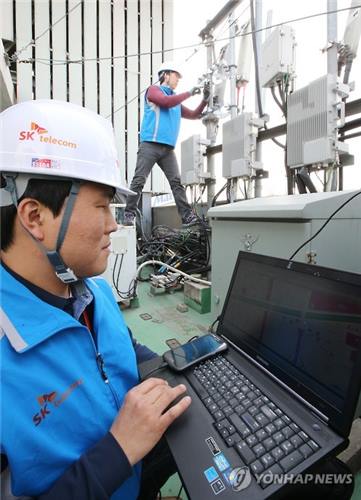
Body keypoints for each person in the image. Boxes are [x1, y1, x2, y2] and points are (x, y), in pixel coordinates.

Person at [0, 99, 191, 500]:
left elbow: (122, 349)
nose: (112, 224)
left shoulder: (93, 291)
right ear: (34, 217)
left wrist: (189, 373)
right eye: (103, 205)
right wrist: (119, 450)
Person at [123, 61, 210, 227]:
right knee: (139, 179)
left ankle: (187, 216)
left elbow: (193, 114)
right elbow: (165, 102)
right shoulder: (154, 90)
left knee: (176, 182)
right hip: (150, 144)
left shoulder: (175, 101)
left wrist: (204, 100)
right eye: (176, 75)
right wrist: (190, 93)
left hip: (167, 149)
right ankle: (129, 214)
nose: (178, 80)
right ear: (165, 75)